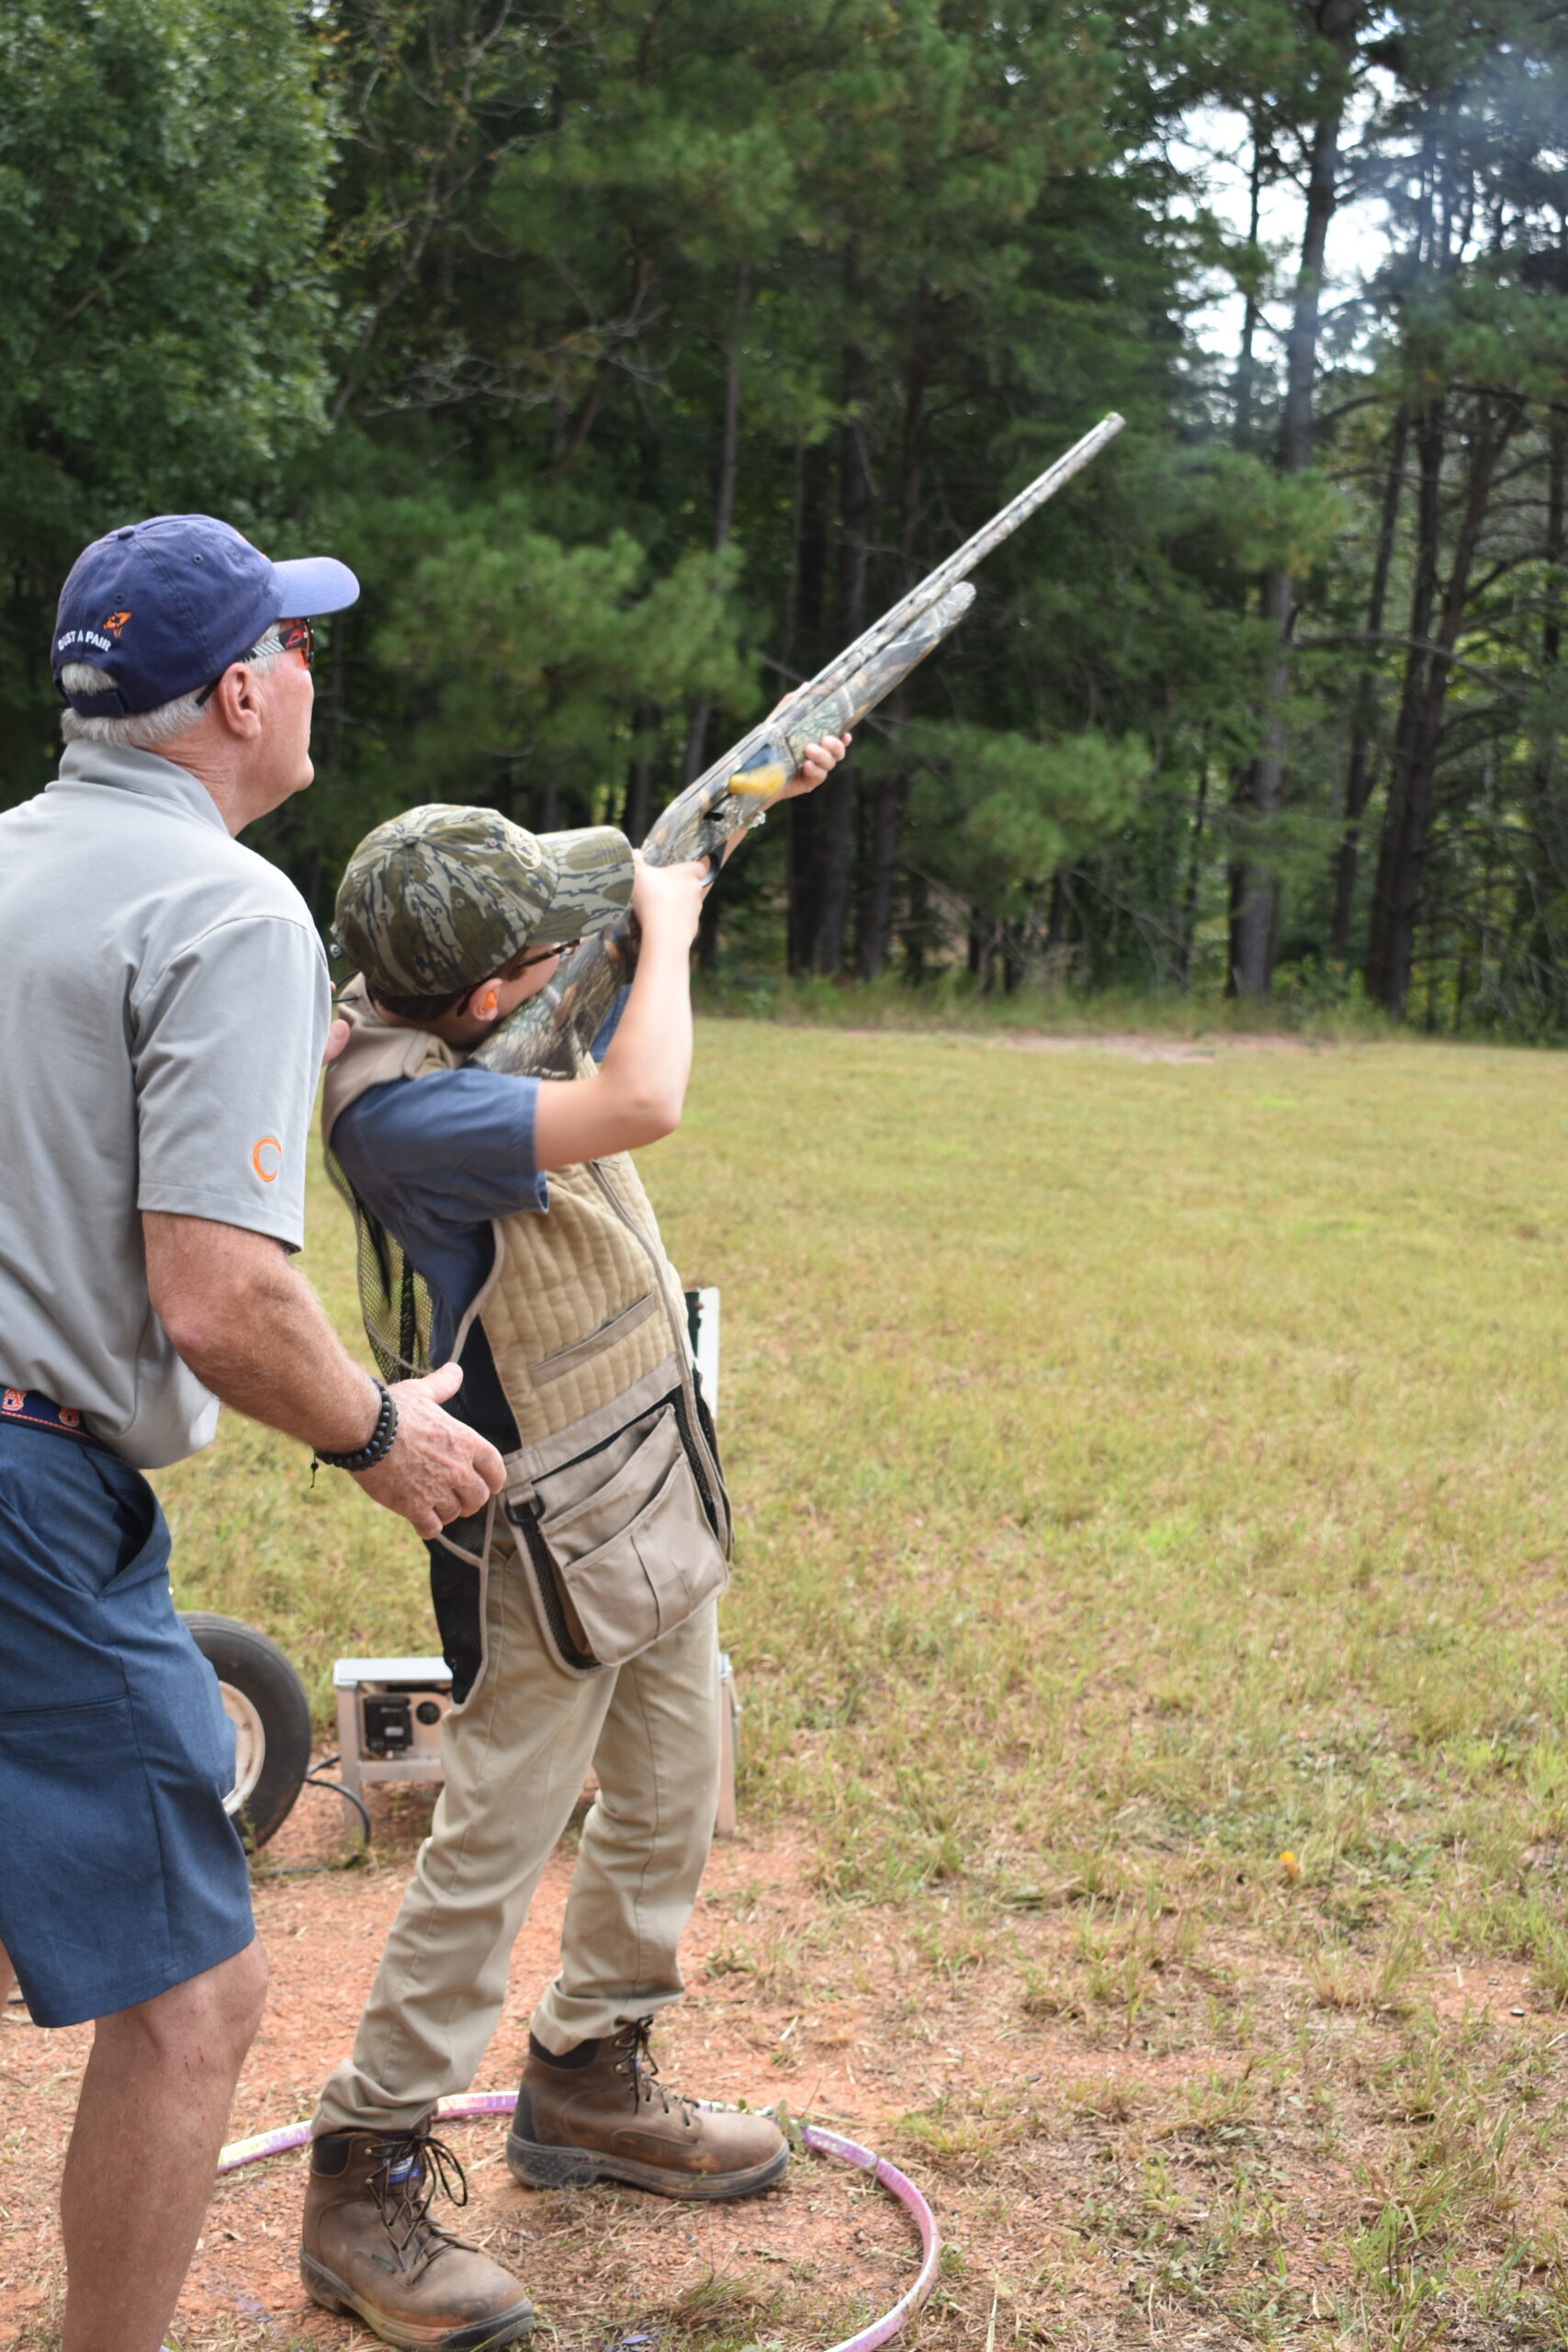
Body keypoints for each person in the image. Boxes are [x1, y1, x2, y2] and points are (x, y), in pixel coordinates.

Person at [0, 515, 507, 2352]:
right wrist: (381, 1429)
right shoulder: (225, 904)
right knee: (198, 1998)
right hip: (26, 1488)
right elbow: (217, 1292)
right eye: (292, 646)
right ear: (234, 692)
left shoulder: (15, 864)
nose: (309, 670)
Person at [300, 755, 846, 2352]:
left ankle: (590, 2072)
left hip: (639, 1484)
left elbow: (612, 903)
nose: (574, 957)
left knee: (677, 1781)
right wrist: (667, 940)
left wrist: (752, 798)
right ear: (483, 991)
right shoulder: (407, 1111)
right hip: (540, 1532)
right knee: (491, 1850)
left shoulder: (454, 1007)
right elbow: (643, 1101)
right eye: (544, 955)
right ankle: (364, 2170)